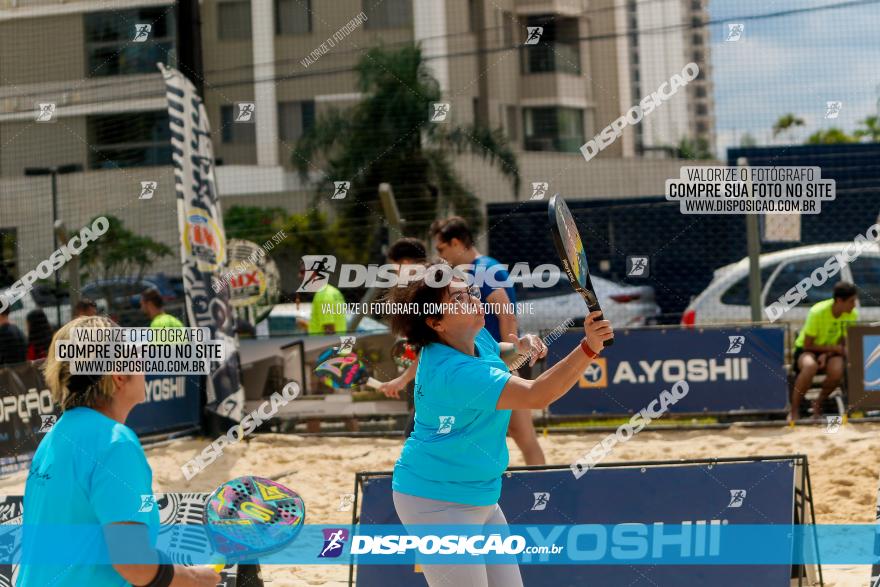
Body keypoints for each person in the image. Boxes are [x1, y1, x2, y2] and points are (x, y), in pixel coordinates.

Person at [388, 263, 613, 587]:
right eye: (458, 298)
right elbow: (539, 395)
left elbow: (493, 353)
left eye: (470, 292)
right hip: (435, 503)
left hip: (482, 496)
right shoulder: (454, 372)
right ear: (435, 321)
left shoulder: (471, 336)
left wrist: (518, 348)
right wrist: (588, 347)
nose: (473, 300)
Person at [18, 315, 219, 586]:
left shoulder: (53, 438)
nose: (144, 362)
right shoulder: (115, 443)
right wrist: (195, 579)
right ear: (119, 375)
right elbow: (134, 563)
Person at [430, 216, 546, 466]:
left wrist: (512, 362)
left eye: (441, 248)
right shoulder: (474, 270)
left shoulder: (484, 268)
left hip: (501, 357)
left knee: (523, 435)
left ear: (456, 242)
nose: (441, 255)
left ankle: (542, 483)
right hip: (492, 359)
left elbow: (507, 314)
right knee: (515, 433)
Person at [375, 237, 428, 438]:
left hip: (442, 376)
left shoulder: (421, 293)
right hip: (454, 373)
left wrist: (402, 379)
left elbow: (432, 349)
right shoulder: (437, 285)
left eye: (393, 268)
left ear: (405, 264)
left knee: (414, 434)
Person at [790, 281, 859, 421]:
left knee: (838, 370)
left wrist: (826, 354)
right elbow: (807, 345)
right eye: (852, 301)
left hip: (829, 352)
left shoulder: (852, 314)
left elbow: (842, 341)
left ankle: (817, 406)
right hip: (806, 350)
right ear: (840, 300)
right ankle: (793, 411)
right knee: (810, 366)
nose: (854, 305)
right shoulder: (818, 312)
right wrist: (832, 349)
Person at [298, 261, 346, 335]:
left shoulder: (323, 296)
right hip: (339, 343)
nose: (299, 276)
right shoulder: (333, 291)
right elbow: (334, 324)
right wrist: (309, 326)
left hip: (325, 346)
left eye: (302, 272)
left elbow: (329, 331)